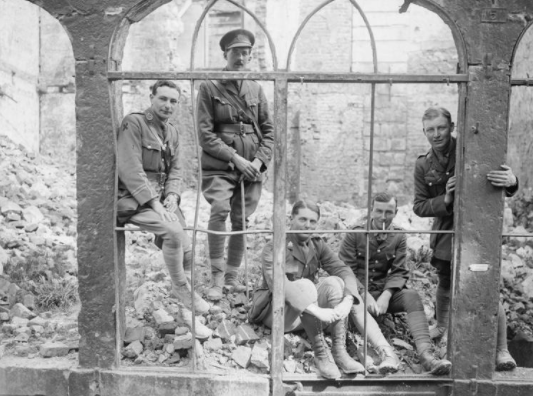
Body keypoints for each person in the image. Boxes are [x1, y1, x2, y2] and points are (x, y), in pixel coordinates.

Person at [413, 106, 518, 371]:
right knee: (446, 282)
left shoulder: (472, 149)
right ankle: (442, 327)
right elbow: (419, 206)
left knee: (485, 285)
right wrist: (445, 199)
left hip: (477, 231)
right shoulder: (423, 164)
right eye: (430, 130)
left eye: (441, 128)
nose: (436, 135)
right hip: (446, 233)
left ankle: (501, 349)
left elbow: (500, 178)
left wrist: (512, 181)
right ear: (424, 132)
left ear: (452, 126)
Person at [116, 80, 211, 339]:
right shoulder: (133, 123)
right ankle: (183, 291)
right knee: (172, 232)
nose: (168, 105)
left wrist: (172, 196)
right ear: (151, 97)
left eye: (173, 101)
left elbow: (176, 171)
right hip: (134, 199)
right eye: (163, 99)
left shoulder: (173, 133)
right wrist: (155, 202)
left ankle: (187, 316)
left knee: (188, 248)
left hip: (161, 201)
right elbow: (129, 168)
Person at [250, 199, 368, 379]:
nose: (308, 225)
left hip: (306, 315)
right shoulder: (275, 246)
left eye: (313, 221)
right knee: (306, 285)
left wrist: (348, 300)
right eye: (303, 219)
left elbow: (344, 270)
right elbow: (279, 286)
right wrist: (317, 311)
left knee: (335, 282)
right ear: (291, 219)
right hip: (278, 314)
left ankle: (339, 351)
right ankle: (321, 354)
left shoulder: (317, 244)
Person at [196, 29, 274, 301]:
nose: (241, 58)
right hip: (221, 166)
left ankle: (232, 278)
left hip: (251, 168)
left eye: (245, 53)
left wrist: (257, 161)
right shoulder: (210, 86)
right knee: (219, 211)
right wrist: (236, 158)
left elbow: (269, 132)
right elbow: (205, 135)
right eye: (235, 52)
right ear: (225, 54)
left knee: (241, 220)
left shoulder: (256, 88)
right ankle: (216, 278)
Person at [339, 192, 452, 375]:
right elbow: (345, 270)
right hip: (357, 297)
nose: (383, 217)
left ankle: (426, 355)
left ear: (396, 212)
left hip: (382, 295)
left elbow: (399, 270)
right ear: (371, 210)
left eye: (388, 212)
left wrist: (386, 295)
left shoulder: (398, 236)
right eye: (379, 211)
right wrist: (364, 294)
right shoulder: (355, 233)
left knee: (412, 297)